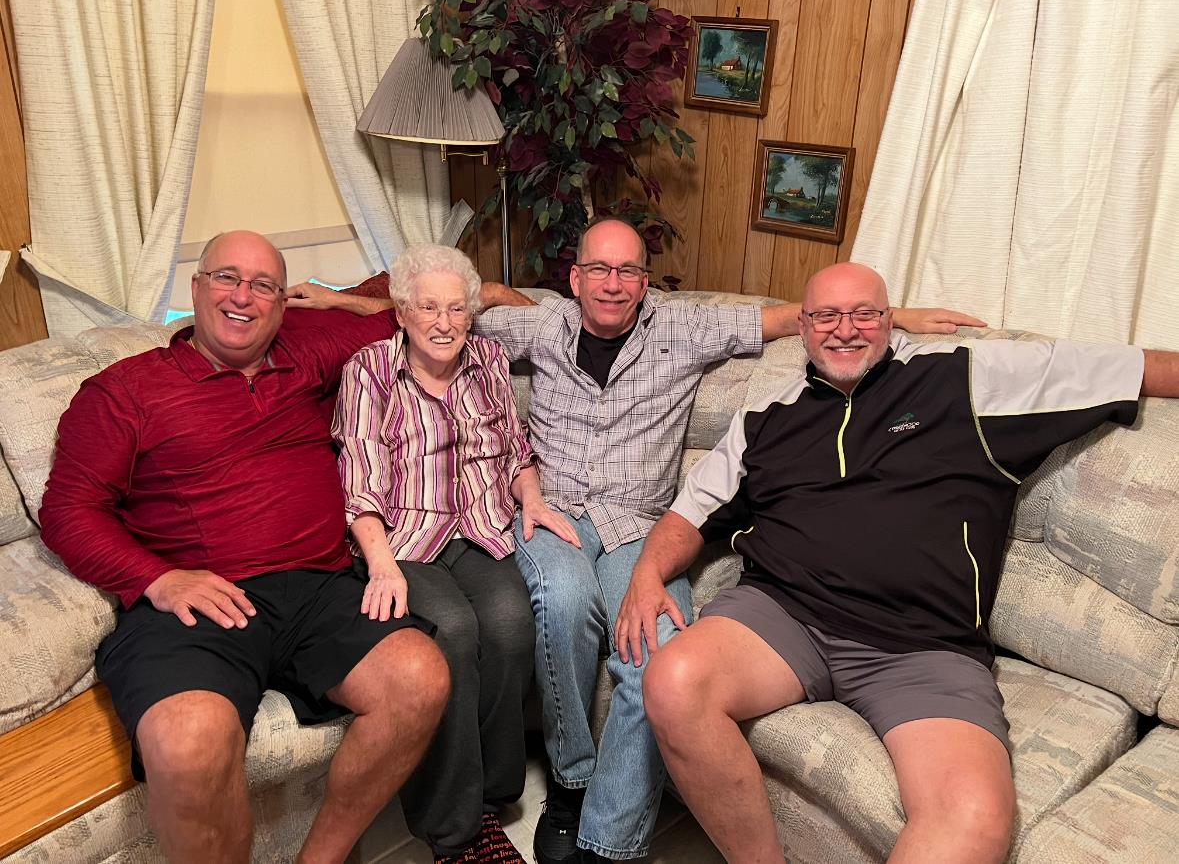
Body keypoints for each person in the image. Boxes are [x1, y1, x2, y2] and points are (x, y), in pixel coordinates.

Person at [295, 220, 982, 863]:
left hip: (639, 525)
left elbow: (779, 317)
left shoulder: (683, 327)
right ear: (574, 277)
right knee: (560, 605)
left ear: (645, 281)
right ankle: (567, 782)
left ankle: (609, 838)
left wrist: (901, 317)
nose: (612, 283)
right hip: (553, 516)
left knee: (654, 649)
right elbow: (443, 307)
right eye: (598, 268)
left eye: (627, 270)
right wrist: (342, 301)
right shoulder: (535, 327)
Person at [621, 261, 1179, 864]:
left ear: (890, 319)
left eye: (865, 313)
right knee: (675, 682)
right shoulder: (763, 418)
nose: (845, 330)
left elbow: (1134, 367)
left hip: (921, 646)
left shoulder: (960, 380)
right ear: (802, 328)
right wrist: (648, 574)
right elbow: (689, 512)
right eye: (826, 316)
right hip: (781, 615)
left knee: (973, 817)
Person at [38, 230, 454, 864]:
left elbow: (404, 309)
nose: (243, 296)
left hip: (319, 585)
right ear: (196, 289)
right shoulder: (123, 392)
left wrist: (486, 292)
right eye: (226, 277)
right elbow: (67, 511)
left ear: (284, 305)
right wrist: (157, 579)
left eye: (263, 285)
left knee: (419, 678)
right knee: (186, 742)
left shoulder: (307, 351)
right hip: (197, 600)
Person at [331, 245, 579, 863]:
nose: (444, 322)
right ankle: (453, 828)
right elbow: (358, 477)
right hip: (402, 540)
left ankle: (492, 794)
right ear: (402, 313)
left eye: (457, 309)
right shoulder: (369, 371)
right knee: (455, 633)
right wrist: (381, 563)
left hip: (481, 527)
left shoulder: (489, 360)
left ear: (471, 315)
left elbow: (514, 449)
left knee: (512, 623)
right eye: (428, 308)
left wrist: (532, 499)